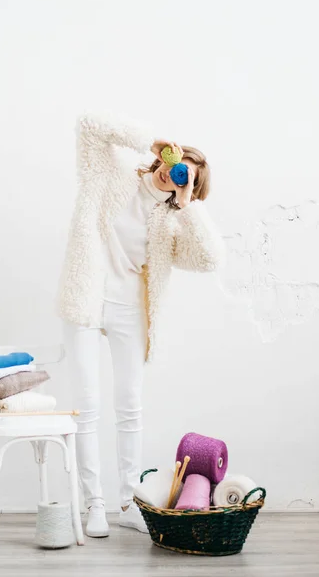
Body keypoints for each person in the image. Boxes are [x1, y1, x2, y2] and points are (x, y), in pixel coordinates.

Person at [57, 113, 225, 537]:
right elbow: (90, 125)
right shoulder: (109, 173)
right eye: (182, 161)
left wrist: (189, 207)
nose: (179, 172)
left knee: (129, 406)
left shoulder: (171, 220)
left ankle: (128, 501)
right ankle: (94, 503)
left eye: (189, 176)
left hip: (131, 309)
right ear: (170, 156)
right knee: (87, 404)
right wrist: (152, 140)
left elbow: (209, 259)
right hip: (85, 298)